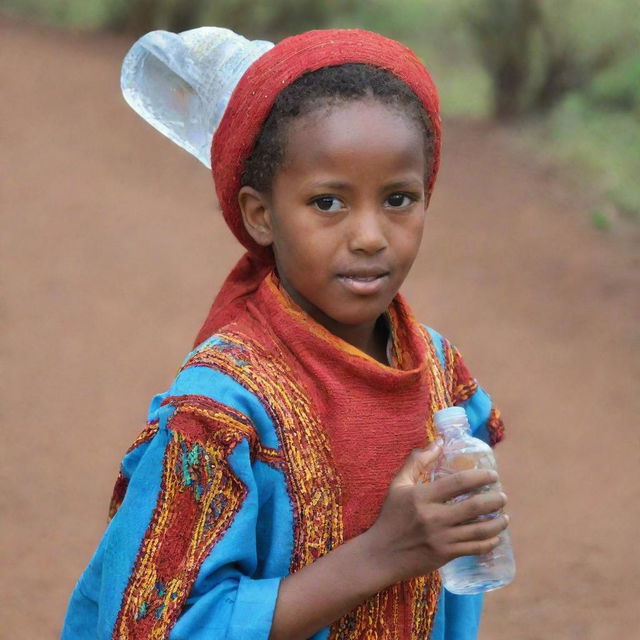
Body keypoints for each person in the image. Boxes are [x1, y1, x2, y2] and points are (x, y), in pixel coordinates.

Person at [62, 27, 509, 640]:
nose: (371, 236)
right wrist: (385, 551)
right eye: (328, 203)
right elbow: (151, 627)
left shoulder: (436, 370)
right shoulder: (221, 411)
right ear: (261, 214)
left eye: (400, 199)